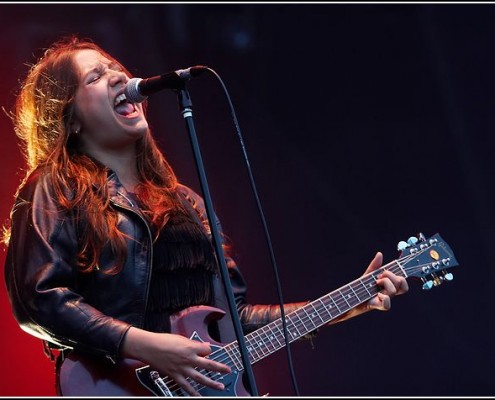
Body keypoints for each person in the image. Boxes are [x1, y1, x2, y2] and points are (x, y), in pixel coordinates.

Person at [3, 36, 408, 397]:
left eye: (116, 69)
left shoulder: (186, 203)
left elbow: (235, 318)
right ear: (69, 117)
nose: (115, 77)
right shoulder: (54, 188)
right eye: (94, 77)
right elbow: (39, 300)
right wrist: (144, 345)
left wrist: (348, 302)